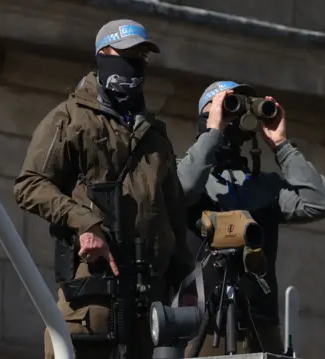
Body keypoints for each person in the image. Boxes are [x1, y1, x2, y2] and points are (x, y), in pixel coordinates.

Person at [14, 19, 193, 359]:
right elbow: (29, 184)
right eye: (126, 55)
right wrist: (85, 223)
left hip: (150, 301)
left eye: (141, 56)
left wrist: (185, 285)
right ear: (103, 55)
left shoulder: (156, 136)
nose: (134, 64)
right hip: (93, 291)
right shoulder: (70, 118)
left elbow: (174, 213)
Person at [178, 81, 325, 356]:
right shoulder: (187, 173)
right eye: (227, 107)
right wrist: (213, 132)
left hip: (259, 325)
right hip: (201, 323)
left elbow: (321, 202)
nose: (234, 120)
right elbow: (182, 191)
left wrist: (281, 144)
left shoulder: (264, 186)